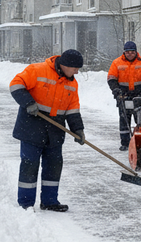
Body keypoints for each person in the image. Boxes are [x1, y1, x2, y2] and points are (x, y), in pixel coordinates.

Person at [8, 49, 86, 212]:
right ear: (65, 65)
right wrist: (28, 103)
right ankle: (26, 203)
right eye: (75, 68)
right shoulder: (37, 70)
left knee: (54, 165)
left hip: (55, 129)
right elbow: (16, 84)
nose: (77, 72)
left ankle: (50, 201)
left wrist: (78, 130)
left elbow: (72, 109)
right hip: (32, 125)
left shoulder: (72, 84)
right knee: (30, 164)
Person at [108, 40, 141, 151]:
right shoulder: (117, 63)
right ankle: (125, 142)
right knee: (124, 119)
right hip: (123, 95)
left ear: (136, 52)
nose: (130, 54)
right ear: (124, 52)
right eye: (128, 52)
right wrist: (115, 89)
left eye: (132, 52)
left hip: (139, 94)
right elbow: (111, 78)